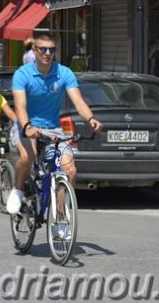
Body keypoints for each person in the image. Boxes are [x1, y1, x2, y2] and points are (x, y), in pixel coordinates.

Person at [6, 32, 102, 219]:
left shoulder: (64, 73)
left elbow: (79, 102)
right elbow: (20, 106)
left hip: (53, 128)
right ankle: (17, 189)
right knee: (28, 155)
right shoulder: (22, 74)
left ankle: (60, 217)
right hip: (26, 125)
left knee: (69, 170)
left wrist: (91, 119)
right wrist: (27, 126)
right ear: (35, 50)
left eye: (52, 49)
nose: (47, 53)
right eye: (43, 49)